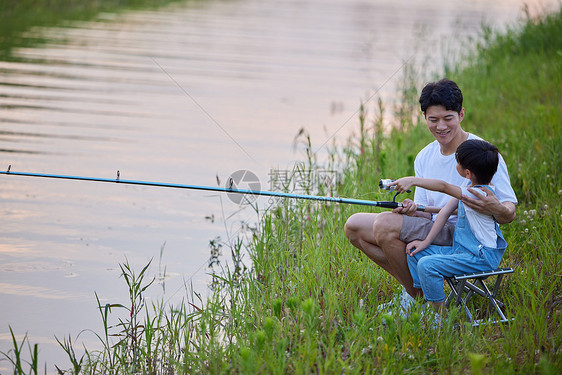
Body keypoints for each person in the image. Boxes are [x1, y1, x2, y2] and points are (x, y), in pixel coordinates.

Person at [344, 78, 517, 312]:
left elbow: (509, 213)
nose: (441, 127)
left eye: (448, 118)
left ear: (461, 115)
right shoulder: (424, 156)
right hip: (436, 228)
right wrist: (411, 209)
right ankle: (416, 293)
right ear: (424, 117)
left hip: (465, 237)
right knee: (354, 226)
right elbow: (426, 213)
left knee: (385, 224)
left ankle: (417, 300)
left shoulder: (482, 152)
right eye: (433, 120)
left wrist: (494, 208)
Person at [389, 139, 507, 313]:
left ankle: (438, 316)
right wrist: (426, 242)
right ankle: (420, 301)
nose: (455, 164)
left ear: (467, 172)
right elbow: (444, 212)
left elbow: (443, 186)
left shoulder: (478, 193)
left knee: (427, 265)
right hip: (463, 251)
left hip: (481, 257)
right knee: (416, 253)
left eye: (457, 162)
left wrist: (413, 180)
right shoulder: (468, 186)